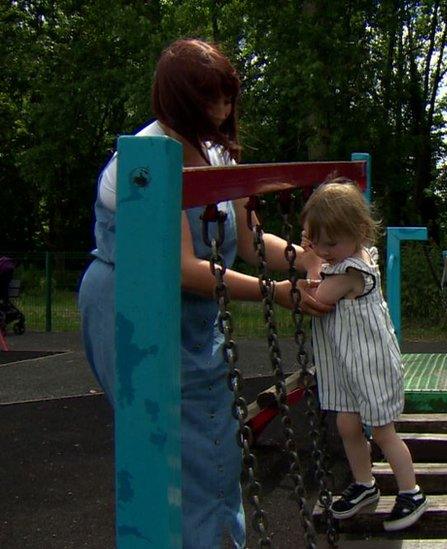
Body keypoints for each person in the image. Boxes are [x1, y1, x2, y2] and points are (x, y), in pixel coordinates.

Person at [77, 38, 329, 548]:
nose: (222, 110)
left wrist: (309, 259)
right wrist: (278, 292)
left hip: (188, 311)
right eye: (211, 99)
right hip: (131, 309)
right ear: (179, 100)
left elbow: (250, 238)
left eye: (227, 97)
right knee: (186, 440)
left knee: (202, 439)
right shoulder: (145, 160)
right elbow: (184, 269)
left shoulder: (215, 153)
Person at [300, 179, 428, 532]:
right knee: (347, 423)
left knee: (383, 431)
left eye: (330, 244)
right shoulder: (353, 252)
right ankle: (365, 484)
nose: (324, 251)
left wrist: (309, 267)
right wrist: (316, 250)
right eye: (317, 243)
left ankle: (411, 492)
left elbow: (317, 299)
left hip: (370, 364)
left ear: (356, 233)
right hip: (346, 363)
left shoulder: (352, 270)